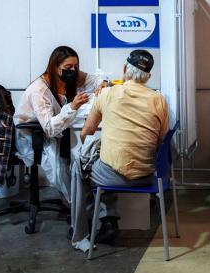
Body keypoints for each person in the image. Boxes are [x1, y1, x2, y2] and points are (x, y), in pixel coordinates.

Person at [71, 50, 168, 252]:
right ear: (148, 76)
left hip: (110, 177)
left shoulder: (107, 94)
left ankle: (80, 235)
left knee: (80, 165)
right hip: (147, 176)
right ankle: (108, 218)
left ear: (124, 70)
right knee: (106, 158)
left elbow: (86, 132)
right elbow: (161, 140)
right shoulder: (159, 100)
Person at [15, 46, 102, 203]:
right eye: (68, 67)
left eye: (76, 66)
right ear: (55, 67)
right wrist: (72, 107)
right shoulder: (39, 91)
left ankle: (82, 201)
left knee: (80, 154)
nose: (73, 70)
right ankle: (76, 205)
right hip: (34, 136)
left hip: (56, 130)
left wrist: (103, 83)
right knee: (62, 165)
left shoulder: (68, 76)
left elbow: (95, 80)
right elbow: (49, 128)